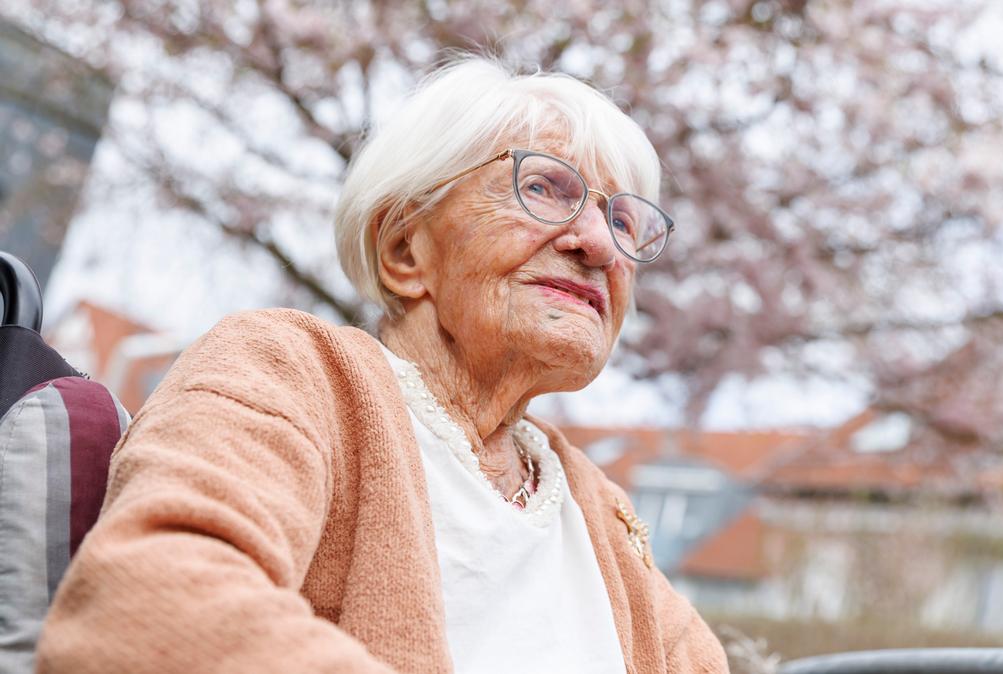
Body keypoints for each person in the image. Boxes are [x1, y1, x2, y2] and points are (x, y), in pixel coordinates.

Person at [36, 57, 729, 673]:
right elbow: (151, 609)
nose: (598, 244)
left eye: (624, 222)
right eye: (546, 187)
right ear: (405, 251)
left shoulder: (600, 509)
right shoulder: (288, 373)